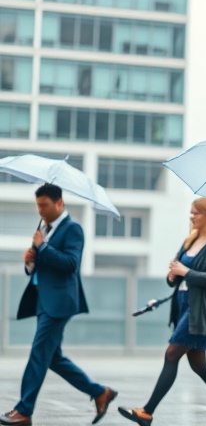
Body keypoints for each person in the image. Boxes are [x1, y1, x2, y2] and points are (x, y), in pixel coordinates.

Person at [0, 183, 118, 426]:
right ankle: (99, 392)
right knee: (53, 358)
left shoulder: (73, 229)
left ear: (59, 203)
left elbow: (71, 264)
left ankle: (23, 410)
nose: (40, 210)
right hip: (43, 300)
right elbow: (41, 265)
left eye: (44, 205)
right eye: (38, 206)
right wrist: (30, 261)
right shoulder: (44, 228)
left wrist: (42, 246)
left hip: (60, 303)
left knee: (38, 354)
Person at [118, 197, 206, 426]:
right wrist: (172, 276)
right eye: (191, 213)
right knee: (199, 365)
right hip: (181, 304)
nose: (192, 217)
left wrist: (185, 270)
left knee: (171, 354)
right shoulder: (189, 241)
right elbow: (177, 276)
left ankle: (147, 412)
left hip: (199, 309)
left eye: (196, 213)